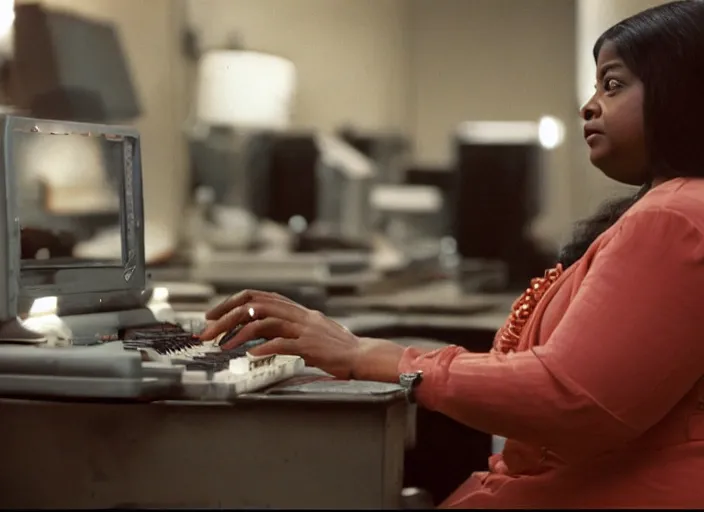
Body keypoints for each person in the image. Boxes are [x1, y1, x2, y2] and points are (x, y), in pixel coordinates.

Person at [199, 1, 704, 507]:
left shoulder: (675, 216)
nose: (589, 106)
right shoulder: (669, 208)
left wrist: (369, 356)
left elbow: (570, 398)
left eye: (612, 85)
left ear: (682, 93)